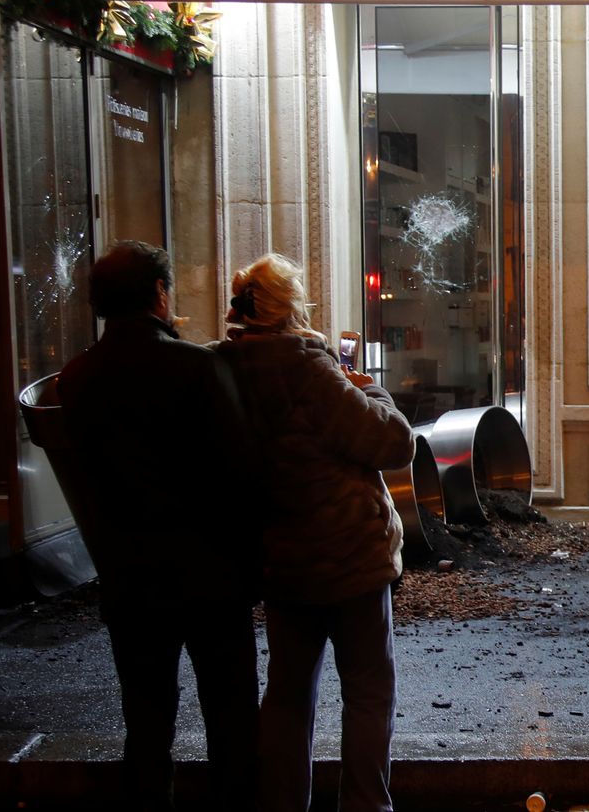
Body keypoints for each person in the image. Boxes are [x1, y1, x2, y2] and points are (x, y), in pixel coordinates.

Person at [58, 241, 260, 810]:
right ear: (159, 294)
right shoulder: (197, 366)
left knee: (146, 723)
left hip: (129, 580)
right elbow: (241, 468)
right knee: (231, 719)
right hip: (210, 576)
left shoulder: (75, 378)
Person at [213, 253, 413, 812]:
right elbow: (393, 443)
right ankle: (366, 806)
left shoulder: (226, 367)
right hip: (348, 558)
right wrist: (369, 388)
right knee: (368, 693)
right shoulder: (307, 366)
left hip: (281, 561)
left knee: (287, 695)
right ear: (291, 307)